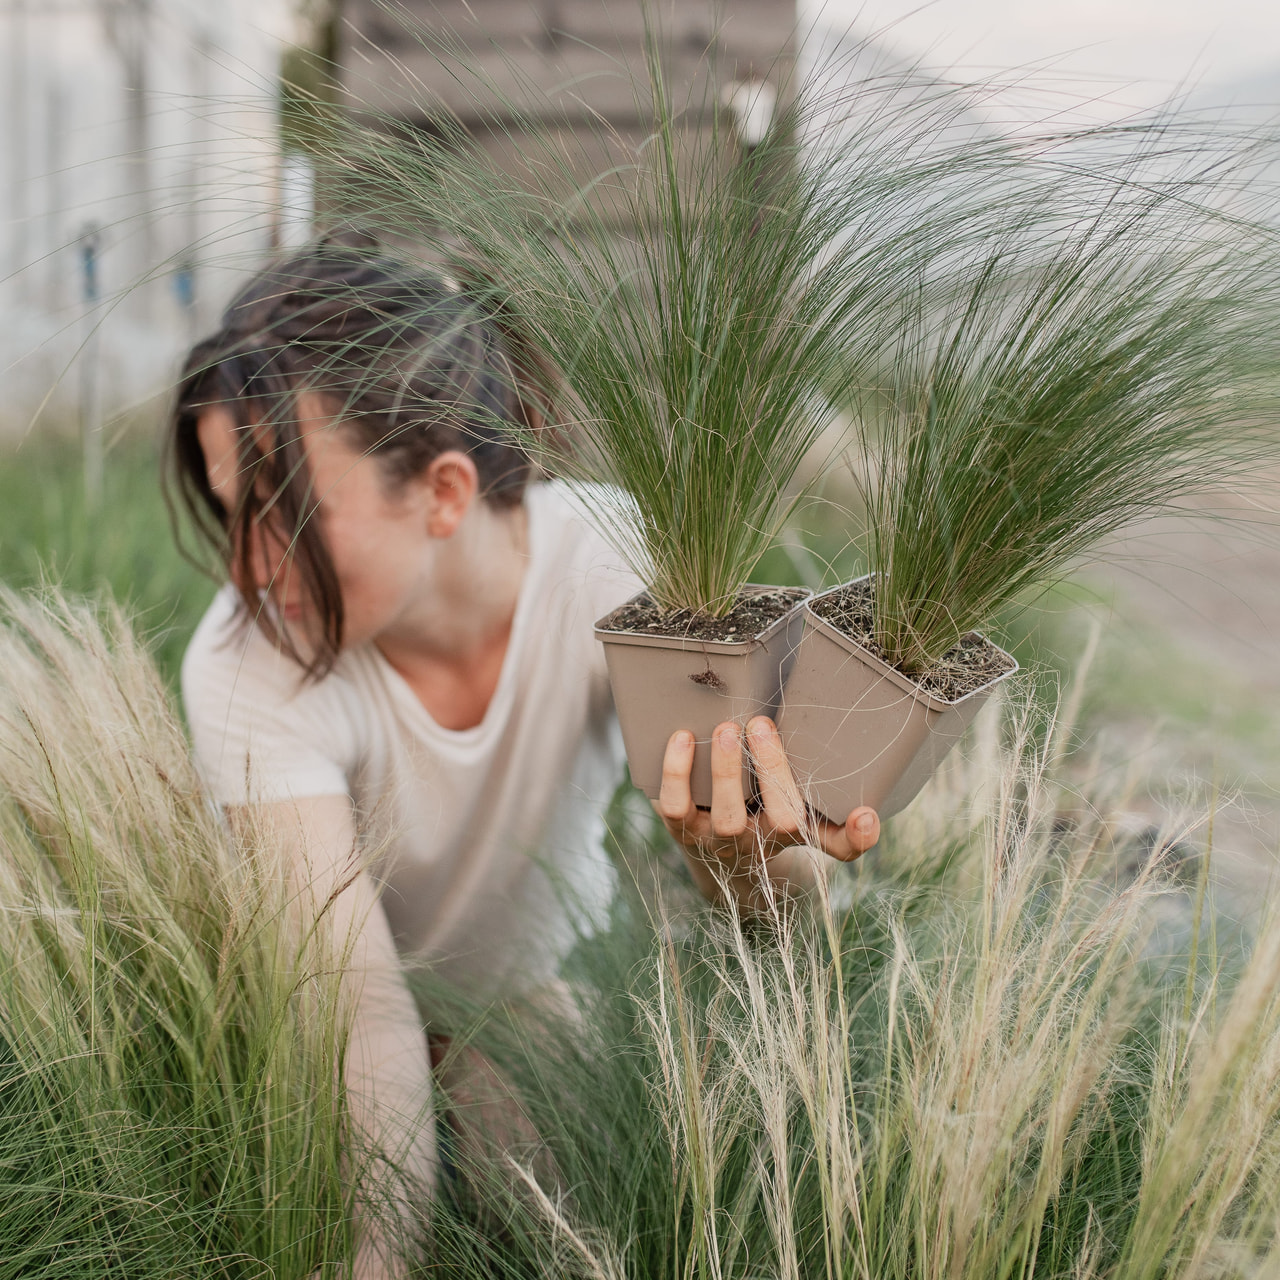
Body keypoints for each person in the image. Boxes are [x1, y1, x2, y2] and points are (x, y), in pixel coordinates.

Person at [169, 237, 881, 1277]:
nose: (245, 568)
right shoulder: (246, 655)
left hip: (533, 995)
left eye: (283, 514)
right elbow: (353, 1009)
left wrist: (748, 863)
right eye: (232, 512)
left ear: (444, 491)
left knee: (554, 1217)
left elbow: (798, 892)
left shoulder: (613, 566)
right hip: (319, 1016)